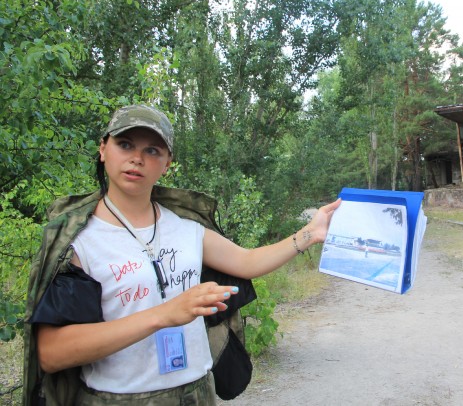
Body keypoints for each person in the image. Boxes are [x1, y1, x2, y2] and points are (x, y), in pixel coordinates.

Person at [22, 104, 341, 405]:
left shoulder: (185, 227)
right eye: (125, 145)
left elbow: (247, 262)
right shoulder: (80, 241)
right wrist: (164, 314)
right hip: (119, 398)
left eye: (152, 150)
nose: (137, 159)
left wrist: (310, 233)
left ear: (167, 164)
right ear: (103, 149)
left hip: (197, 393)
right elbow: (52, 352)